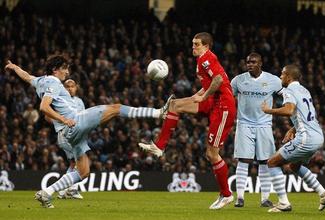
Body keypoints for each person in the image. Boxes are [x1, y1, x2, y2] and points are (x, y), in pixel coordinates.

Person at [5, 55, 171, 208]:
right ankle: (157, 113)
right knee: (116, 108)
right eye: (64, 68)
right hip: (74, 123)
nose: (67, 72)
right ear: (55, 70)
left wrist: (14, 67)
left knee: (83, 172)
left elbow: (26, 76)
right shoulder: (54, 82)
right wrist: (64, 119)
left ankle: (46, 193)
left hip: (68, 133)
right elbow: (43, 107)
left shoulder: (40, 81)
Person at [139, 32, 236, 209]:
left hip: (223, 107)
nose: (193, 47)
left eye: (197, 44)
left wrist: (204, 96)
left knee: (212, 154)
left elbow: (218, 80)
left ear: (206, 46)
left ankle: (227, 195)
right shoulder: (202, 60)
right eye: (192, 43)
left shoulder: (207, 58)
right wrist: (196, 96)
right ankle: (160, 146)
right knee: (175, 105)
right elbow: (209, 84)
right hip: (213, 102)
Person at [261, 64, 325, 212]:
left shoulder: (289, 90)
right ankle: (324, 194)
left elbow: (289, 110)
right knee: (294, 166)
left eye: (282, 74)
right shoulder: (304, 90)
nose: (280, 76)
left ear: (288, 76)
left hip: (306, 138)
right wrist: (293, 128)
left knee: (272, 162)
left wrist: (268, 110)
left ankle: (283, 203)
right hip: (317, 135)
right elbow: (306, 114)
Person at [230, 53, 282, 208]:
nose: (250, 64)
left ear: (261, 63)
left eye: (253, 62)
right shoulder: (238, 80)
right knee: (244, 159)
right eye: (248, 62)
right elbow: (227, 97)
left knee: (265, 161)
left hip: (264, 125)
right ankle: (239, 198)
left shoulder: (273, 80)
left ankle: (265, 199)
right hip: (244, 124)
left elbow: (286, 95)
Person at [55, 79, 85, 200]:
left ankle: (63, 190)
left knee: (73, 163)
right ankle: (71, 190)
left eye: (72, 86)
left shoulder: (79, 101)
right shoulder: (59, 100)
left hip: (76, 135)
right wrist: (61, 123)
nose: (70, 89)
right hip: (66, 135)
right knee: (80, 161)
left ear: (76, 88)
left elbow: (83, 118)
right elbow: (48, 116)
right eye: (67, 86)